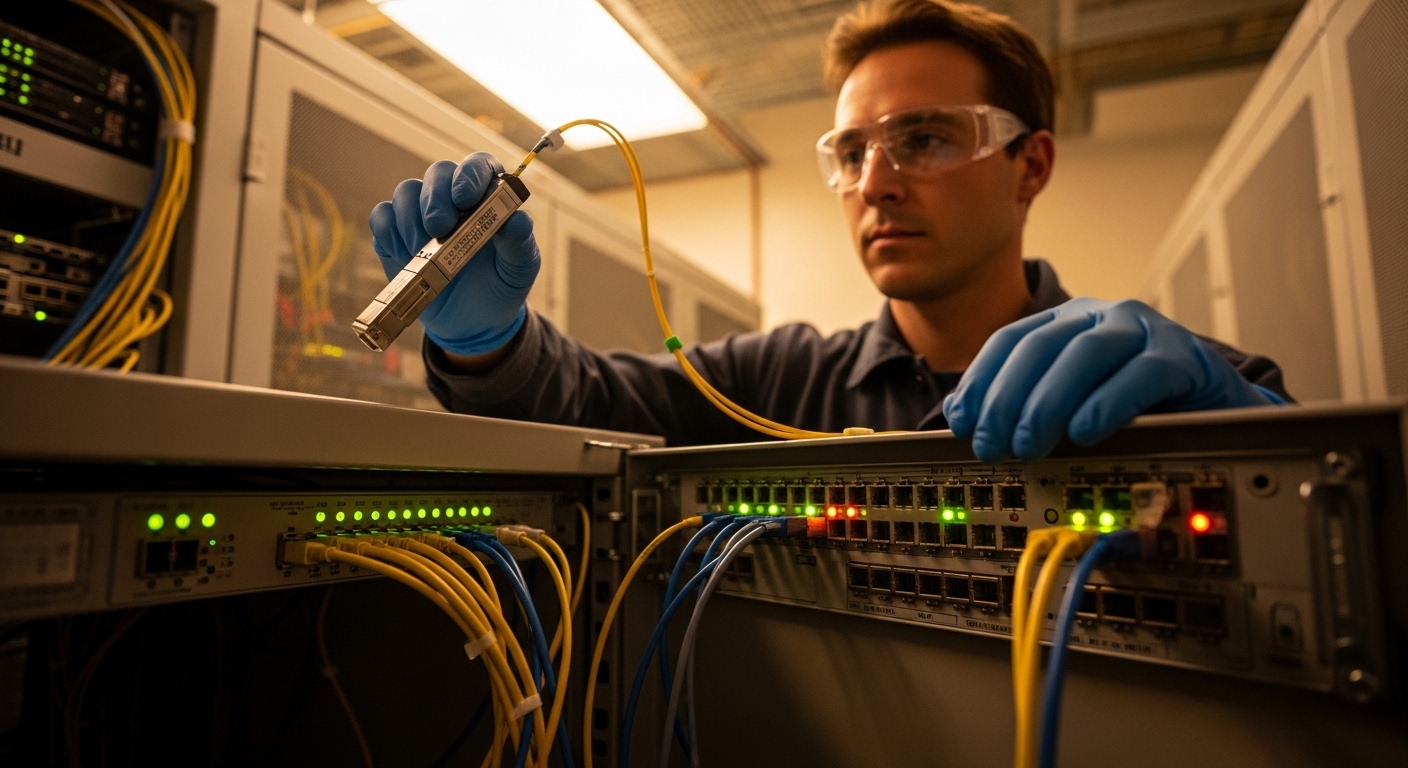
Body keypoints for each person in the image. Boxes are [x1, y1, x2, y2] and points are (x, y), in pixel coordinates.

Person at [368, 0, 1289, 461]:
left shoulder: (1157, 379)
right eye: (850, 151)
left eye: (923, 139)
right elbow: (595, 405)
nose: (875, 182)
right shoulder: (775, 383)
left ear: (1032, 165)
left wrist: (1255, 436)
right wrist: (488, 346)